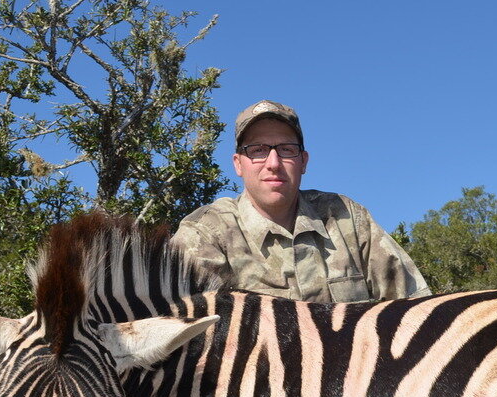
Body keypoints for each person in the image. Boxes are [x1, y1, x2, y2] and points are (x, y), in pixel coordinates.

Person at [173, 100, 431, 303]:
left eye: (286, 149)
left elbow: (416, 306)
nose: (273, 164)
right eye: (258, 150)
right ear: (238, 164)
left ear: (303, 161)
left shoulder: (347, 217)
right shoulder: (205, 233)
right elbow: (183, 335)